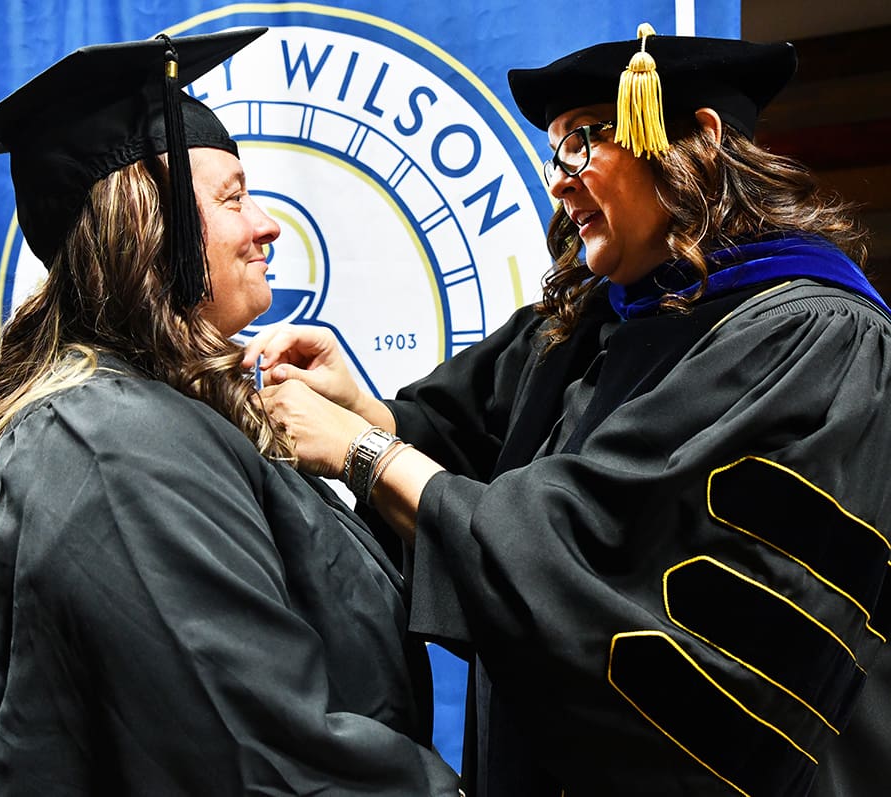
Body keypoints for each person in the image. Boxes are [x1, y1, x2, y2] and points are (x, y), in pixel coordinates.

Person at [244, 24, 891, 797]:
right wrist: (365, 411)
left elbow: (591, 552)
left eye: (584, 140)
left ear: (701, 137)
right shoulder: (590, 324)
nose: (559, 179)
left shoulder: (811, 339)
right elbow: (464, 444)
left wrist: (364, 452)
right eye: (555, 152)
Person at [0, 28, 461, 796]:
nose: (266, 224)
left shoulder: (159, 412)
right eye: (233, 196)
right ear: (146, 220)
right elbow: (254, 755)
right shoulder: (109, 448)